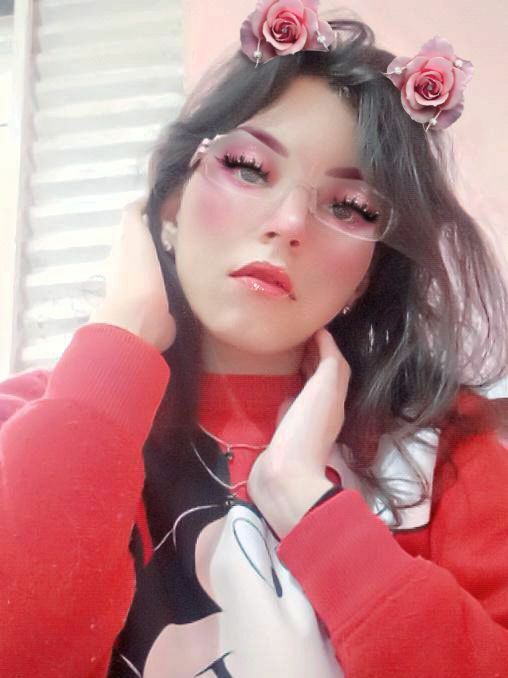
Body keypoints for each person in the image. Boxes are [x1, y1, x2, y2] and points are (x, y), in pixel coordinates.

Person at [1, 2, 508, 676]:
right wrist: (121, 334)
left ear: (368, 272)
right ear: (171, 204)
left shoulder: (447, 457)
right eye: (247, 167)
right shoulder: (31, 419)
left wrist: (305, 500)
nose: (289, 222)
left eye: (350, 207)